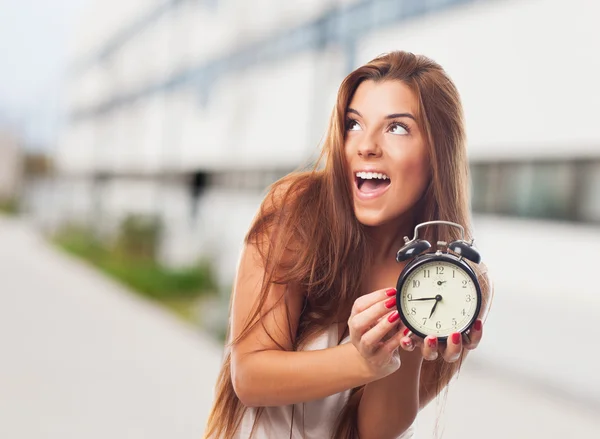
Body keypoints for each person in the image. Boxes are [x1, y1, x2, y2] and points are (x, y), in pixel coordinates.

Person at [204, 50, 493, 439]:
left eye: (397, 128)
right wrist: (361, 360)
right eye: (354, 124)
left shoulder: (457, 285)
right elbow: (251, 376)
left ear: (438, 153)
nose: (366, 145)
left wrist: (410, 335)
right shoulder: (297, 213)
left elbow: (371, 433)